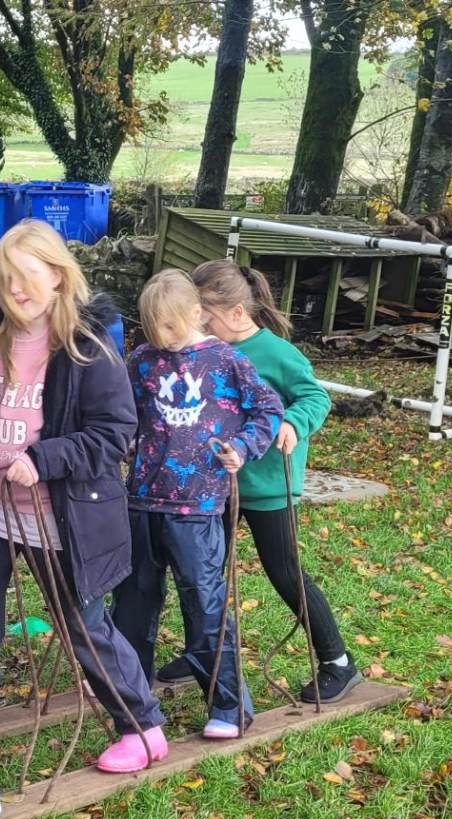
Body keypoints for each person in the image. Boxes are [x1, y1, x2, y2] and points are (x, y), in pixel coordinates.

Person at [0, 219, 169, 774]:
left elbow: (114, 431)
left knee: (82, 624)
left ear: (59, 276)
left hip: (60, 513)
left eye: (28, 276)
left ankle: (142, 726)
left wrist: (43, 459)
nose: (15, 289)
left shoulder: (87, 346)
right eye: (5, 277)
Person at [109, 269, 283, 740]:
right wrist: (123, 444)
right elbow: (125, 413)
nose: (163, 337)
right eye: (153, 328)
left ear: (195, 313)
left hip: (198, 506)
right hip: (141, 501)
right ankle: (132, 696)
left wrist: (242, 447)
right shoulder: (143, 359)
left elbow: (268, 409)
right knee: (133, 602)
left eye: (170, 326)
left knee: (204, 604)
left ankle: (229, 705)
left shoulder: (226, 360)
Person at [187, 260, 362, 703]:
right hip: (218, 485)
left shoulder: (277, 353)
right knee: (204, 572)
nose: (198, 325)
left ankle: (338, 662)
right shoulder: (206, 351)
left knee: (285, 573)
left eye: (204, 316)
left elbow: (315, 396)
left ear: (236, 313)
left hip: (266, 488)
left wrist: (293, 422)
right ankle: (202, 654)